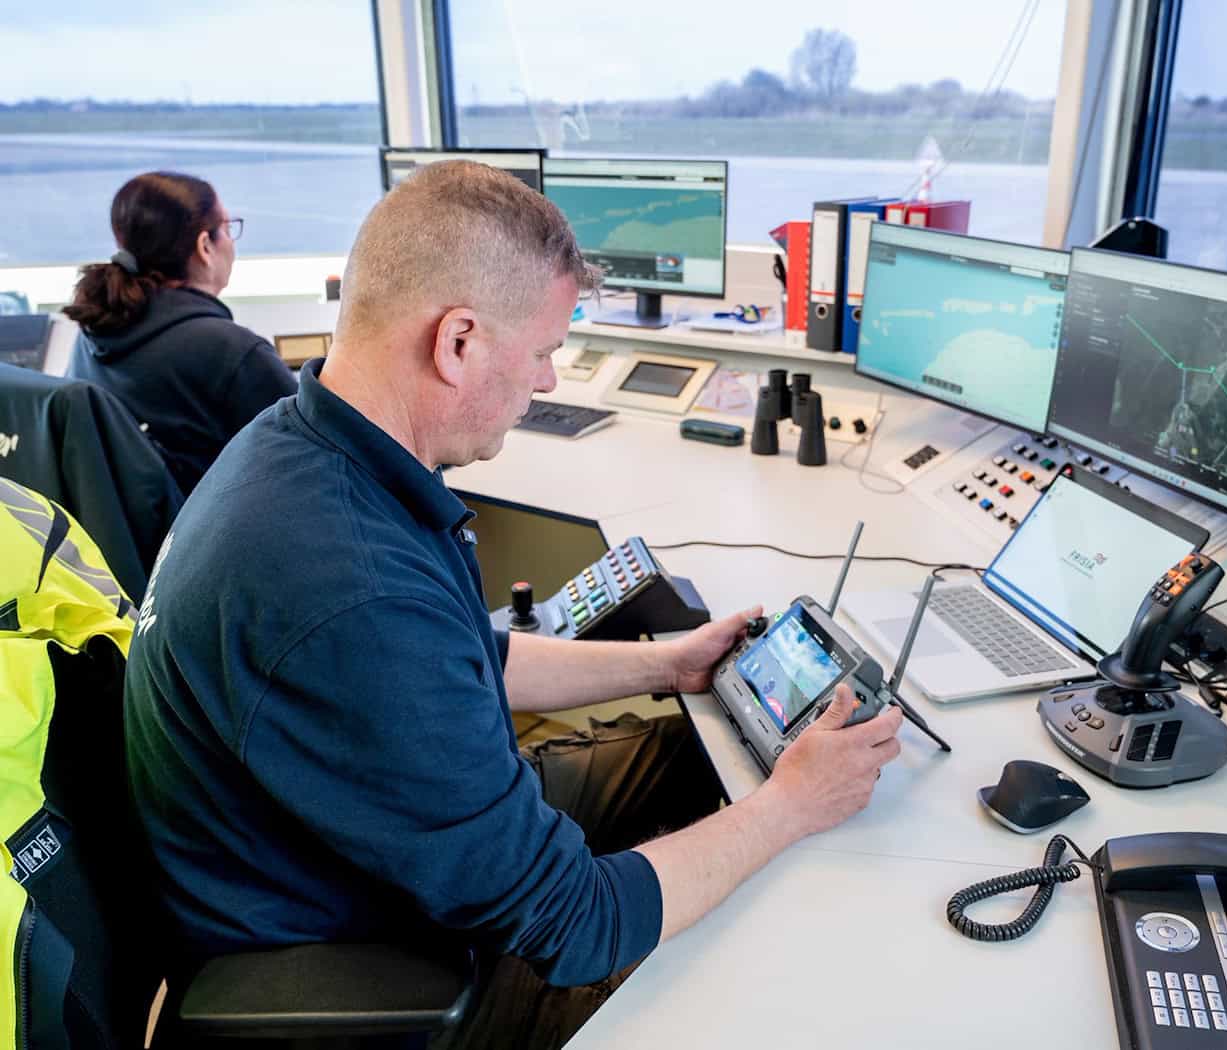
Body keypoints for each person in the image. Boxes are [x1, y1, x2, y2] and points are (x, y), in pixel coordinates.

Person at [123, 161, 905, 1049]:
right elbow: (573, 924)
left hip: (368, 841)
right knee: (755, 954)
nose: (547, 385)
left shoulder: (307, 449)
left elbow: (461, 660)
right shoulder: (347, 585)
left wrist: (667, 662)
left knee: (686, 759)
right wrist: (791, 808)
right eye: (541, 354)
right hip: (374, 953)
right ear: (457, 341)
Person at [64, 171, 297, 495]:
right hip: (217, 539)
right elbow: (319, 455)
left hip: (128, 537)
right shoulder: (232, 352)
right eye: (228, 229)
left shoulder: (93, 331)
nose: (231, 241)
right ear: (205, 246)